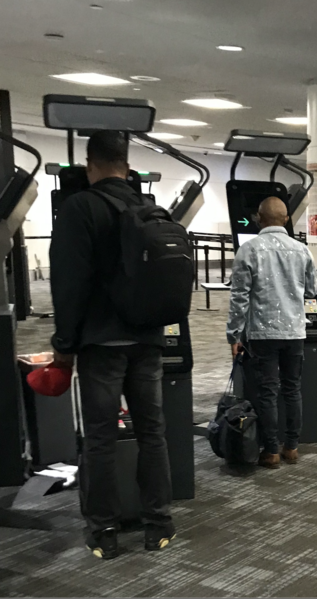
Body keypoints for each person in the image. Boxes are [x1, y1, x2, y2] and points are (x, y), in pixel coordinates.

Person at [50, 131, 174, 560]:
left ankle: (104, 530)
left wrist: (64, 344)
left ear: (90, 165)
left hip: (101, 342)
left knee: (101, 438)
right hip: (149, 338)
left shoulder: (79, 207)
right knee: (152, 433)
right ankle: (159, 523)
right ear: (127, 164)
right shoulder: (150, 207)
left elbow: (69, 283)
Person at [226, 197, 317, 469]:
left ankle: (272, 451)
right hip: (295, 332)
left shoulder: (249, 249)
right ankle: (292, 446)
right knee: (292, 389)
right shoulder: (303, 251)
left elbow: (239, 298)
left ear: (258, 218)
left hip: (262, 333)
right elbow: (311, 292)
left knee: (267, 391)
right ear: (287, 219)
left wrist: (234, 335)